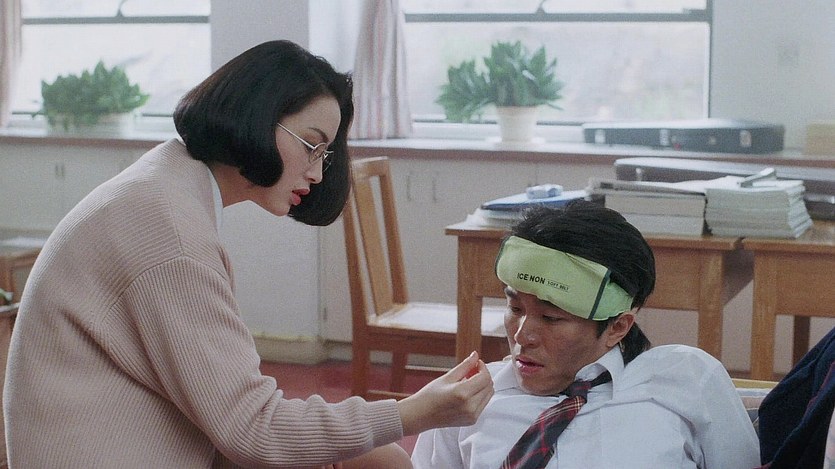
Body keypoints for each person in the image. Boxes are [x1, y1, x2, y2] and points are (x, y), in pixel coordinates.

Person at [3, 40, 493, 468]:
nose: (318, 173)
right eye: (311, 146)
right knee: (383, 460)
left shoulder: (168, 183)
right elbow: (254, 429)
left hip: (133, 444)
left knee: (381, 458)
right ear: (257, 115)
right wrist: (415, 411)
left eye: (325, 155)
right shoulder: (170, 235)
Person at [411, 201, 760, 469]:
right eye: (515, 308)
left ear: (617, 327)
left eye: (551, 318)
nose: (523, 336)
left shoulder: (685, 380)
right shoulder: (465, 402)